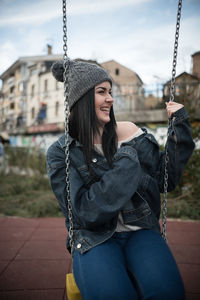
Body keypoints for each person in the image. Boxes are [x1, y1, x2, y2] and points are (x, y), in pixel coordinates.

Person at [47, 59, 195, 300]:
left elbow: (164, 180)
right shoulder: (61, 152)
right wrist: (126, 158)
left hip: (141, 231)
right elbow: (84, 212)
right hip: (94, 238)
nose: (110, 99)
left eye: (110, 92)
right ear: (81, 98)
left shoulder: (132, 134)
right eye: (101, 92)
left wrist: (179, 128)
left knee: (168, 293)